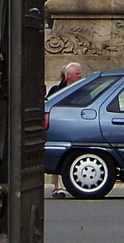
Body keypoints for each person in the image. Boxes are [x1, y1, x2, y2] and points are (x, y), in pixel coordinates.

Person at [48, 64, 85, 195]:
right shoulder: (56, 90)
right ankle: (57, 187)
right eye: (77, 74)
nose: (80, 76)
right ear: (68, 76)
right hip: (59, 125)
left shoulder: (83, 90)